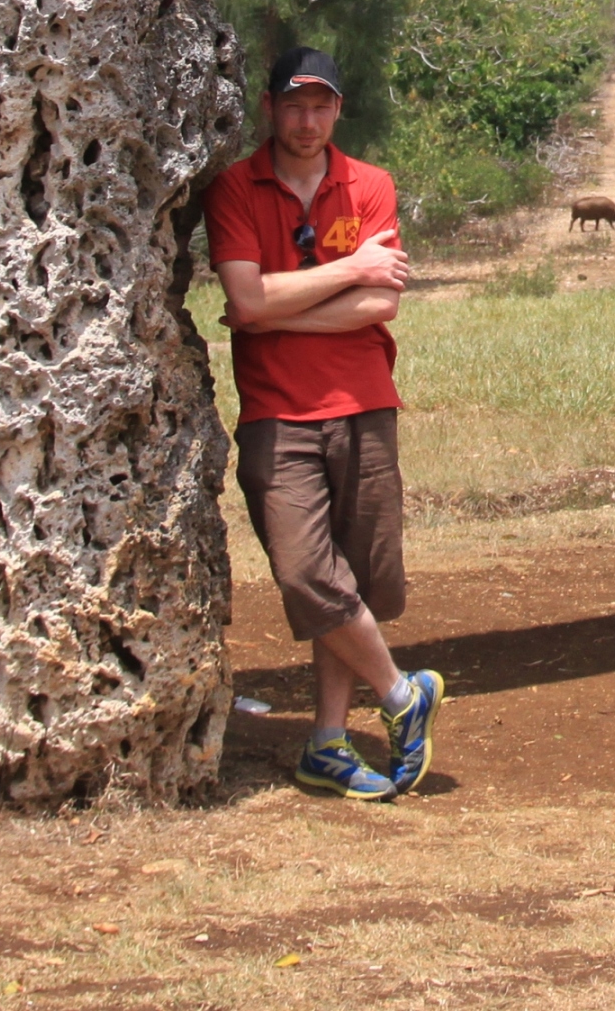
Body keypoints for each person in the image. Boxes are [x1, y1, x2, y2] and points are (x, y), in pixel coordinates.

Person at [206, 47, 445, 799]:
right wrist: (347, 270)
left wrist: (277, 311)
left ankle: (328, 742)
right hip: (277, 411)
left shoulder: (369, 185)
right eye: (294, 105)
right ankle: (403, 694)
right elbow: (245, 300)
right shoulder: (236, 189)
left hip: (365, 400)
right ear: (269, 107)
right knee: (307, 571)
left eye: (322, 106)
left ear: (338, 110)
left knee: (357, 573)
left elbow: (382, 305)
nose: (307, 121)